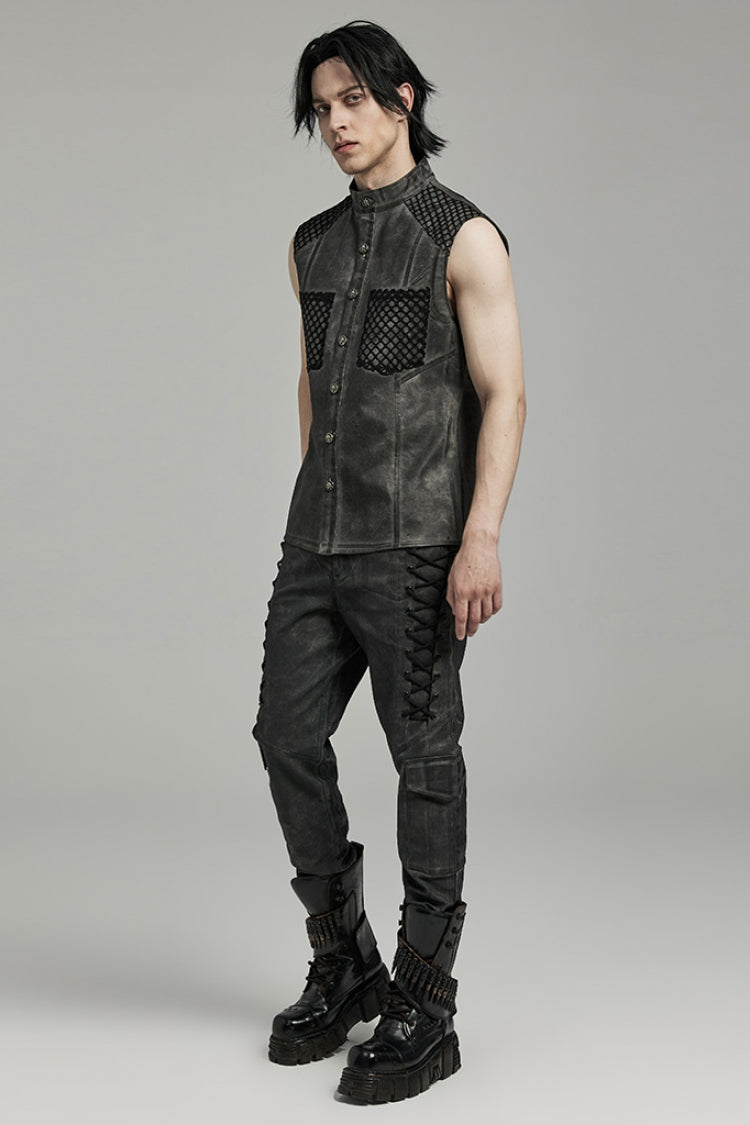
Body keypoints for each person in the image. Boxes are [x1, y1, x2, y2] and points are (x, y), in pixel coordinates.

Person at [252, 20, 525, 1104]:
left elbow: (503, 393)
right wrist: (317, 489)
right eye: (321, 109)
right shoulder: (310, 243)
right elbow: (313, 381)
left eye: (353, 100)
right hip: (316, 541)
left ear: (403, 97)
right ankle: (345, 959)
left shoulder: (465, 236)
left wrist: (481, 534)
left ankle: (426, 998)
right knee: (284, 735)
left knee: (425, 761)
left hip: (416, 548)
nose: (336, 123)